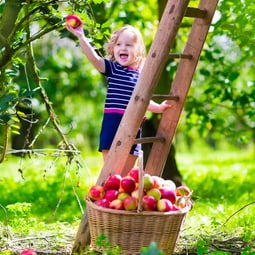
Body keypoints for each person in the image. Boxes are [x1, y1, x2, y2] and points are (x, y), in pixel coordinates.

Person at [66, 22, 171, 175]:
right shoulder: (113, 69)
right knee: (111, 171)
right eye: (118, 44)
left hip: (133, 124)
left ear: (138, 50)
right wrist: (82, 37)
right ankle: (108, 191)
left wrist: (159, 108)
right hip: (113, 122)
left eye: (129, 45)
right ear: (113, 49)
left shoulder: (141, 77)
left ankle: (122, 194)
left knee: (125, 173)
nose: (123, 48)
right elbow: (95, 59)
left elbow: (143, 101)